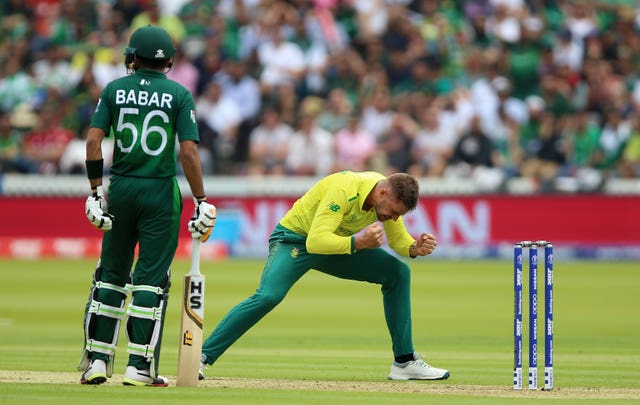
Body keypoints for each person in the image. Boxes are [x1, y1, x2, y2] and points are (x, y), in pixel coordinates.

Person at [199, 171, 450, 381]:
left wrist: (413, 248)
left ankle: (404, 361)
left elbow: (397, 240)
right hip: (294, 241)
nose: (393, 218)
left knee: (398, 272)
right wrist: (359, 242)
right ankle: (201, 356)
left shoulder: (386, 198)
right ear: (383, 193)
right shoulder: (344, 190)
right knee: (268, 296)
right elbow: (316, 240)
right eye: (393, 212)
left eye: (399, 215)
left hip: (336, 243)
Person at [78, 25, 216, 387]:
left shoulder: (113, 90)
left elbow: (93, 141)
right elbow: (187, 151)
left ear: (132, 58)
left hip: (121, 187)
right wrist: (201, 200)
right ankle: (138, 366)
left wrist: (95, 191)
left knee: (112, 273)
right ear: (169, 61)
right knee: (150, 281)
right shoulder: (179, 94)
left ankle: (96, 360)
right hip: (159, 193)